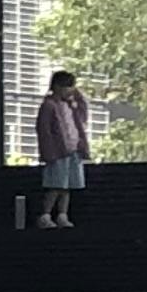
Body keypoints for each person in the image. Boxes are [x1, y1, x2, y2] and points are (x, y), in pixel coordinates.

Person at [34, 71, 92, 229]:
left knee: (67, 186)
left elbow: (83, 113)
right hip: (57, 152)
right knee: (56, 185)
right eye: (67, 87)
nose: (69, 91)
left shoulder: (70, 106)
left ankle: (62, 214)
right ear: (57, 87)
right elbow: (44, 130)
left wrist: (77, 94)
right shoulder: (49, 105)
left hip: (73, 150)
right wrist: (48, 152)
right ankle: (45, 215)